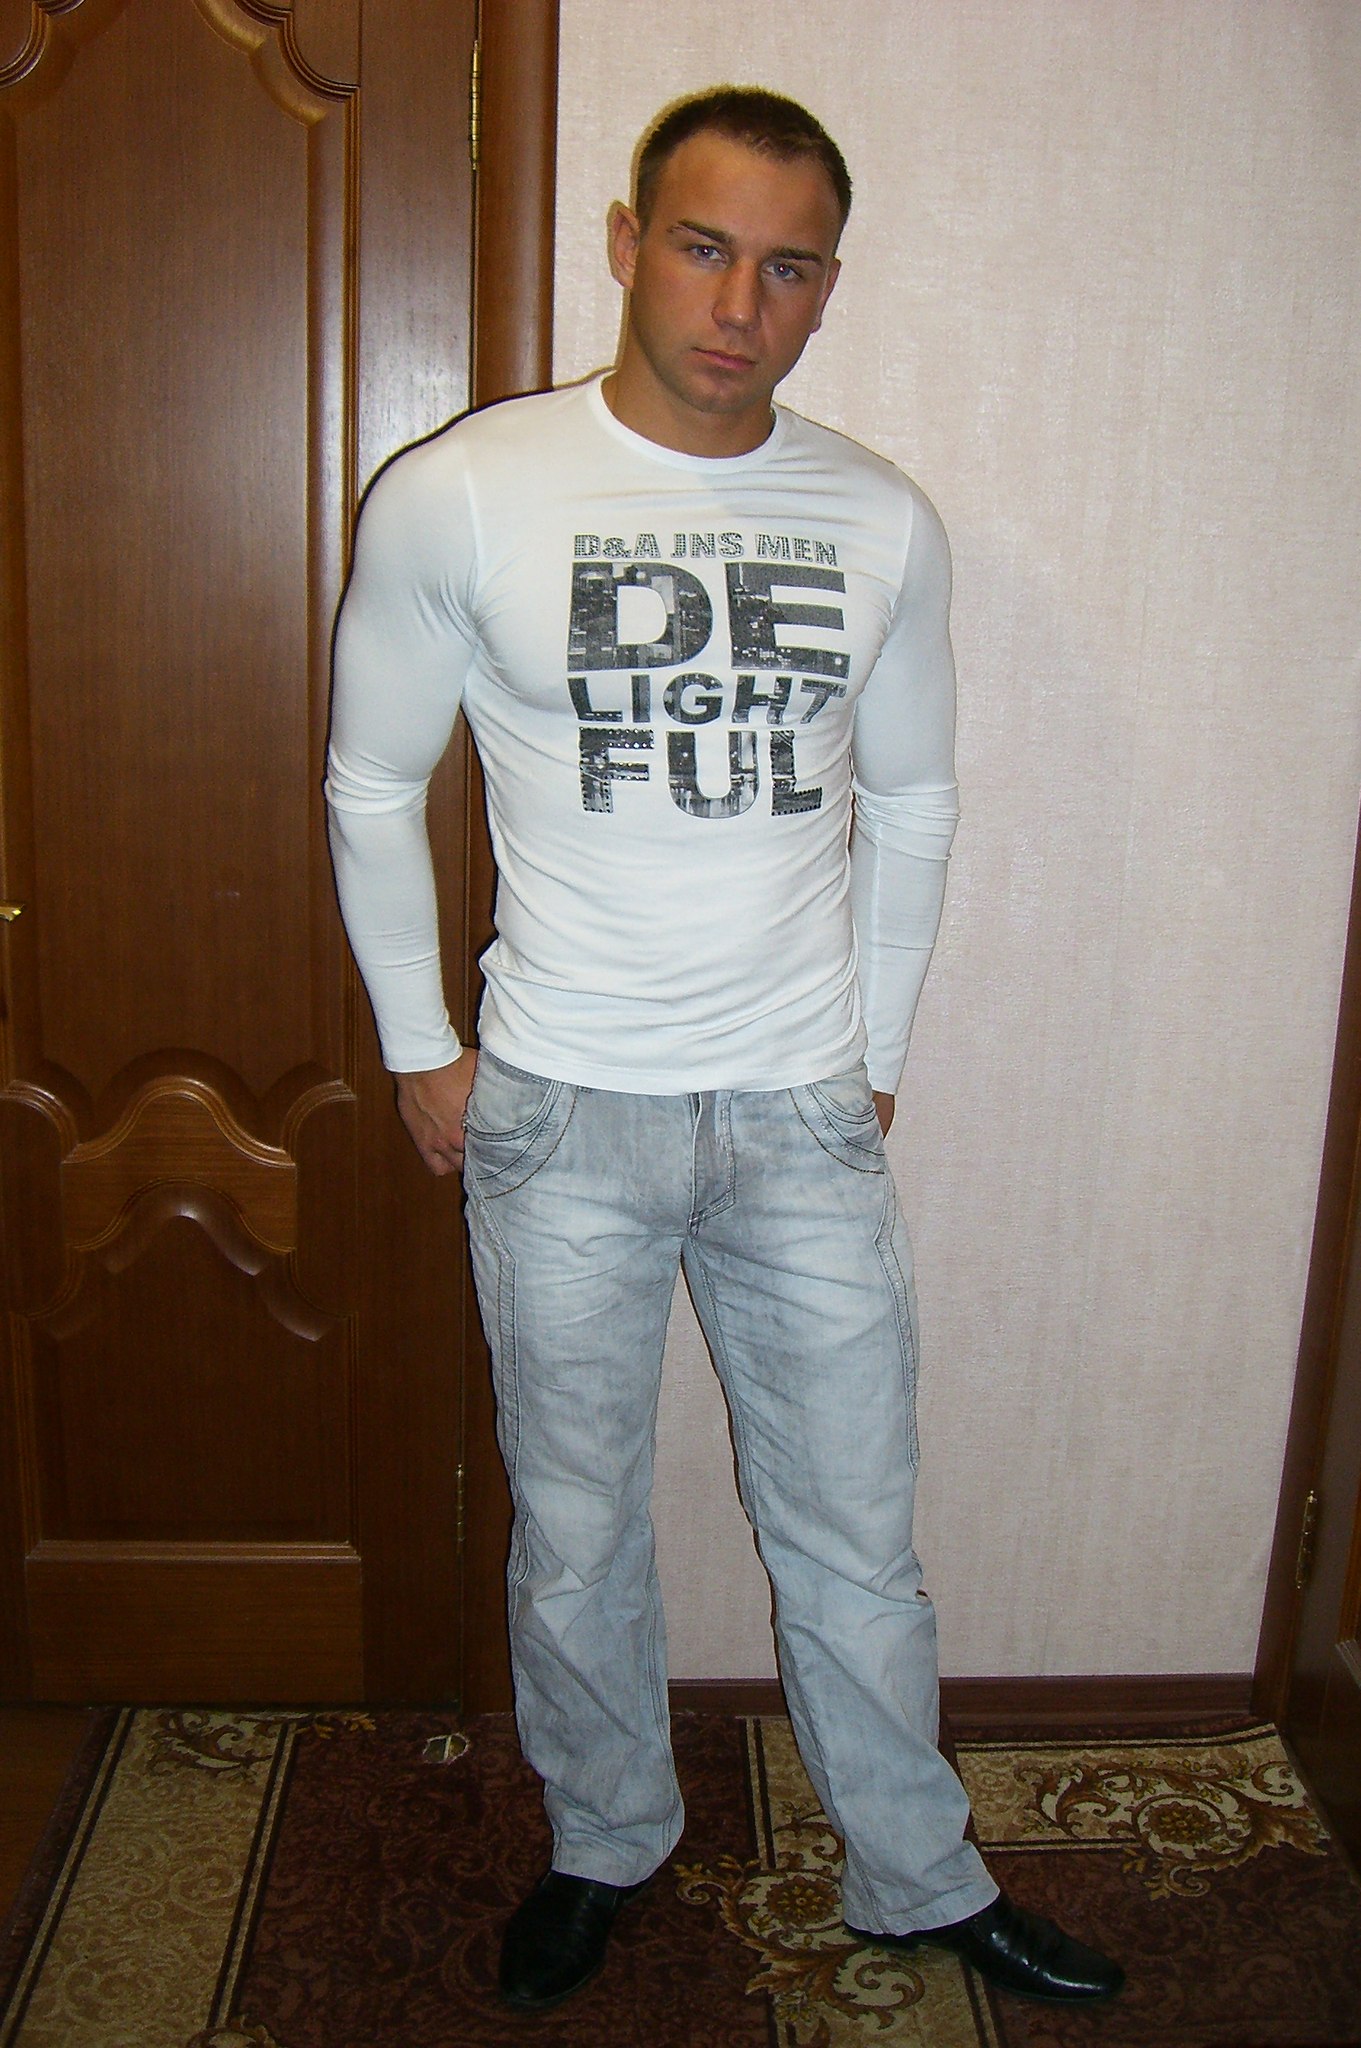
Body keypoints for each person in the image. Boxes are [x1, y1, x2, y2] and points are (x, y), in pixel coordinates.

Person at [326, 87, 1123, 2015]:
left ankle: (916, 1876)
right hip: (561, 1113)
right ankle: (603, 1842)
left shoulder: (880, 520)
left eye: (786, 267)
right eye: (701, 247)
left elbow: (914, 803)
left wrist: (872, 1051)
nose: (737, 304)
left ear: (827, 288)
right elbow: (369, 781)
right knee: (576, 1531)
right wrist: (425, 1048)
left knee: (854, 1532)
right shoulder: (463, 492)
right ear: (626, 244)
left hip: (795, 1115)